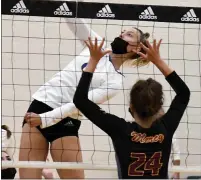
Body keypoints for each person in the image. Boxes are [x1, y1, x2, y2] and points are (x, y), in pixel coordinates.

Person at [19, 0, 150, 179]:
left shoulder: (115, 82)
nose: (121, 34)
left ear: (135, 49)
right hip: (41, 104)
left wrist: (44, 119)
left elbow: (79, 103)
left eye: (129, 34)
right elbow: (70, 11)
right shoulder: (97, 43)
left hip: (65, 119)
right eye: (122, 31)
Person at [73, 37, 190, 179]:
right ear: (159, 106)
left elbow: (80, 100)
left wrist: (93, 61)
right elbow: (184, 94)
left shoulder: (120, 129)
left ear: (131, 106)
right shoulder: (166, 128)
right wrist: (157, 61)